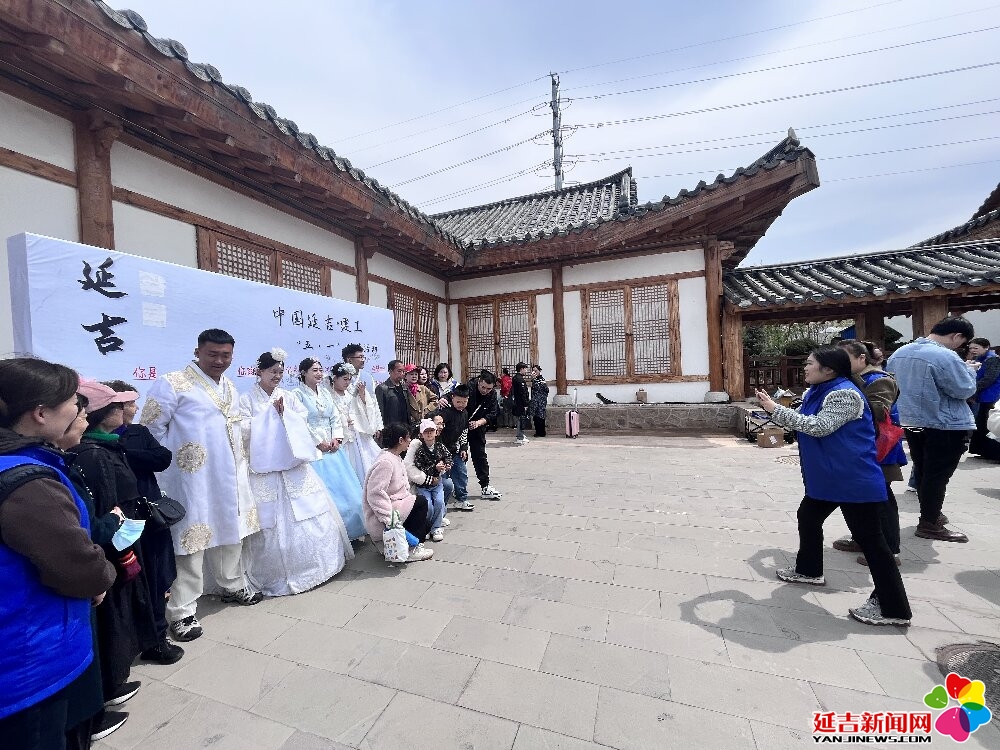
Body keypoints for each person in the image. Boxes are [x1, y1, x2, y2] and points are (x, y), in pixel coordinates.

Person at [0, 358, 116, 750]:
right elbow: (77, 567)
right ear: (40, 413)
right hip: (26, 664)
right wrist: (99, 578)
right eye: (73, 402)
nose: (81, 411)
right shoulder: (29, 484)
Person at [756, 346, 912, 627]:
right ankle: (809, 570)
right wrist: (775, 409)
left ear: (828, 369)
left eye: (809, 363)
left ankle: (893, 608)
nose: (805, 368)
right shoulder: (818, 390)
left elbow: (819, 426)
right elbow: (802, 421)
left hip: (852, 479)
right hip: (831, 477)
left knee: (872, 542)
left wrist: (774, 409)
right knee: (808, 516)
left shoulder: (844, 394)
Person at [141, 329, 262, 644]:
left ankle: (231, 584)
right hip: (191, 479)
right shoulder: (172, 383)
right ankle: (181, 611)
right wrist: (173, 466)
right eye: (213, 354)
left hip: (229, 474)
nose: (219, 361)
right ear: (198, 352)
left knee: (231, 531)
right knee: (191, 541)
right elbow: (150, 431)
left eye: (226, 355)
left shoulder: (230, 386)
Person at [70, 381, 159, 713]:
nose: (126, 411)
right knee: (112, 611)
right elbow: (104, 509)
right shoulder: (94, 454)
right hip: (114, 545)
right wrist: (119, 536)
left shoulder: (109, 446)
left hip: (123, 536)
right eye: (119, 407)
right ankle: (111, 682)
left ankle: (117, 674)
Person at [240, 349, 353, 596]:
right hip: (264, 470)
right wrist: (270, 415)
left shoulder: (288, 396)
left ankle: (316, 567)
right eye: (272, 371)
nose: (277, 376)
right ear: (259, 371)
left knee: (308, 511)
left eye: (280, 372)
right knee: (268, 521)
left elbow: (302, 420)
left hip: (293, 466)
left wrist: (286, 415)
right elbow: (242, 429)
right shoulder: (246, 399)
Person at [104, 380, 180, 666]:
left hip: (149, 517)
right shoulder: (91, 444)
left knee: (158, 575)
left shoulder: (138, 433)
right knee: (129, 579)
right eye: (130, 404)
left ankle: (158, 639)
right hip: (120, 522)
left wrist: (124, 452)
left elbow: (162, 457)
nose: (135, 409)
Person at [886, 316, 976, 543]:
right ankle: (929, 521)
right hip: (944, 423)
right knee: (938, 474)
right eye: (962, 342)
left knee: (924, 469)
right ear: (956, 336)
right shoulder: (945, 356)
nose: (961, 346)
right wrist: (970, 371)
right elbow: (964, 389)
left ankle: (931, 513)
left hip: (911, 420)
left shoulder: (899, 353)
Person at [831, 341, 906, 567]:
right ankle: (862, 539)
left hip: (877, 448)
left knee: (880, 499)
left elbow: (878, 411)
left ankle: (889, 550)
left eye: (845, 359)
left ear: (861, 358)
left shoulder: (879, 379)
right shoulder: (848, 379)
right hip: (855, 447)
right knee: (855, 498)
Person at [294, 357, 366, 540]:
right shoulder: (296, 394)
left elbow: (334, 417)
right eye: (314, 370)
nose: (319, 373)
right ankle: (333, 537)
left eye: (320, 370)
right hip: (315, 451)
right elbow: (300, 422)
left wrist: (337, 438)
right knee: (327, 496)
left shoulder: (325, 393)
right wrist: (318, 442)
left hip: (333, 448)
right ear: (303, 373)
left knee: (349, 494)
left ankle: (352, 531)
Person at [362, 422, 434, 562]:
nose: (410, 441)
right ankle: (412, 549)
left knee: (426, 525)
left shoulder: (394, 457)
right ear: (401, 440)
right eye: (408, 438)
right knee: (420, 502)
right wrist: (388, 519)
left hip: (396, 504)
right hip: (386, 511)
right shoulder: (386, 462)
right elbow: (375, 493)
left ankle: (396, 544)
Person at [328, 362, 382, 484]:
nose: (347, 382)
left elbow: (365, 408)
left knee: (365, 462)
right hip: (343, 435)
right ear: (335, 378)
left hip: (358, 433)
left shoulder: (351, 392)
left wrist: (362, 396)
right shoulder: (328, 395)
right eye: (344, 379)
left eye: (349, 379)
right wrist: (343, 420)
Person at [404, 419, 451, 542]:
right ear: (421, 434)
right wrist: (434, 468)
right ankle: (428, 526)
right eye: (426, 432)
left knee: (439, 502)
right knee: (428, 506)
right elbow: (419, 467)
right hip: (423, 485)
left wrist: (447, 465)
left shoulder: (440, 446)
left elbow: (448, 456)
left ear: (436, 432)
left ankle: (436, 527)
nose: (429, 434)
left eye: (431, 431)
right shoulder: (418, 449)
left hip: (437, 483)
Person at [434, 386, 474, 512]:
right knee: (444, 478)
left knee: (461, 474)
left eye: (464, 402)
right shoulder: (446, 412)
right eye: (458, 402)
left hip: (456, 451)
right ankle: (441, 504)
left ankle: (461, 499)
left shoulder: (465, 413)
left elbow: (464, 431)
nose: (461, 405)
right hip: (442, 452)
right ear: (452, 398)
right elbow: (437, 431)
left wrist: (463, 448)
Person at [463, 370, 502, 499]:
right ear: (479, 382)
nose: (485, 390)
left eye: (489, 388)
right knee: (459, 456)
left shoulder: (492, 395)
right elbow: (454, 399)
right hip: (460, 427)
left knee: (480, 456)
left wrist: (479, 422)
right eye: (483, 387)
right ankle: (458, 487)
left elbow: (493, 413)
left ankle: (485, 486)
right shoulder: (468, 388)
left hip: (478, 427)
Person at [966, 337, 1000, 460]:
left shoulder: (992, 359)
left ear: (986, 347)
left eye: (976, 348)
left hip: (991, 395)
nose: (973, 350)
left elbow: (989, 379)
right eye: (971, 348)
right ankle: (983, 451)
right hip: (982, 395)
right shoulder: (978, 360)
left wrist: (971, 389)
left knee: (990, 425)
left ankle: (994, 454)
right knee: (981, 424)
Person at [403, 363, 437, 434]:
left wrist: (427, 410)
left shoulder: (422, 388)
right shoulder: (402, 390)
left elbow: (435, 399)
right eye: (411, 374)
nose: (414, 376)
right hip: (408, 425)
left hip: (423, 423)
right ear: (405, 376)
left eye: (416, 374)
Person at [375, 360, 409, 429]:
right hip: (391, 428)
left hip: (405, 427)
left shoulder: (404, 388)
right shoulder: (382, 388)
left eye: (403, 371)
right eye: (399, 371)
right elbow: (380, 411)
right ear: (390, 371)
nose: (402, 374)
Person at [511, 362, 531, 445]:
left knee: (521, 419)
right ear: (521, 369)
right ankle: (520, 437)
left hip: (518, 402)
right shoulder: (519, 379)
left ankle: (521, 435)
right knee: (520, 419)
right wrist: (525, 404)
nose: (526, 371)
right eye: (525, 369)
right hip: (520, 403)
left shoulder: (516, 378)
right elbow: (522, 393)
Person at [530, 365, 549, 437]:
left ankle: (541, 432)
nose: (534, 372)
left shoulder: (541, 379)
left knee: (540, 417)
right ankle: (538, 431)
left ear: (539, 371)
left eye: (536, 371)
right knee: (535, 417)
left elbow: (542, 389)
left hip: (541, 401)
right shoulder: (535, 379)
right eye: (533, 371)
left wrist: (534, 379)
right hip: (535, 401)